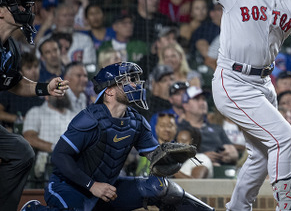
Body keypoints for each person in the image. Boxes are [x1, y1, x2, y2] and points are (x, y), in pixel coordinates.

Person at [120, 0, 291, 211]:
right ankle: (288, 207)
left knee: (263, 156)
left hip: (264, 83)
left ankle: (238, 208)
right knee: (284, 137)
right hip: (234, 79)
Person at [21, 62, 214, 211]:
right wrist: (92, 185)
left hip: (107, 189)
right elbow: (59, 156)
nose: (136, 84)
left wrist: (168, 160)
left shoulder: (136, 121)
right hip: (69, 186)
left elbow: (155, 156)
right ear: (110, 91)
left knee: (160, 187)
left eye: (135, 80)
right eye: (129, 80)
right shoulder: (90, 118)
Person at [0, 0, 69, 211]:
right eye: (18, 4)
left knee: (21, 151)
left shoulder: (11, 48)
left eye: (27, 3)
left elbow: (14, 82)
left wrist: (44, 88)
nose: (26, 8)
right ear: (1, 10)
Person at [178, 86, 238, 167]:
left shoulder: (216, 128)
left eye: (203, 99)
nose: (202, 102)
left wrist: (226, 155)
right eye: (197, 99)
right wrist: (203, 158)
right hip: (192, 172)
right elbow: (176, 156)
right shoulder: (180, 129)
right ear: (186, 106)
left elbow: (234, 153)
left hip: (219, 168)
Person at [23, 93, 75, 180]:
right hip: (46, 162)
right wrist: (56, 148)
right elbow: (29, 138)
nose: (61, 94)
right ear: (46, 96)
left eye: (63, 91)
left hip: (72, 160)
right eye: (57, 91)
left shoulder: (74, 115)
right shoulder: (36, 112)